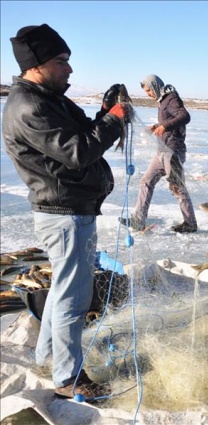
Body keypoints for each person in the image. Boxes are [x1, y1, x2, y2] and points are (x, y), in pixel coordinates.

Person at [2, 24, 130, 400]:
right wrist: (114, 120)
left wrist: (106, 113)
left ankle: (46, 356)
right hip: (64, 215)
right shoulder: (30, 106)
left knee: (62, 291)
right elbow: (79, 152)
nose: (69, 69)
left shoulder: (49, 97)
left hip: (71, 210)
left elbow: (84, 135)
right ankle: (68, 379)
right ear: (37, 64)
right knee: (74, 299)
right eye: (61, 61)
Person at [120, 74, 197, 233]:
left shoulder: (171, 99)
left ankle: (190, 223)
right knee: (146, 181)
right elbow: (168, 120)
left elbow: (184, 116)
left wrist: (165, 127)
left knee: (177, 187)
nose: (148, 94)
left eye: (148, 90)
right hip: (162, 151)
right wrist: (156, 126)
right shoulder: (163, 101)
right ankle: (138, 220)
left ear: (155, 86)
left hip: (173, 152)